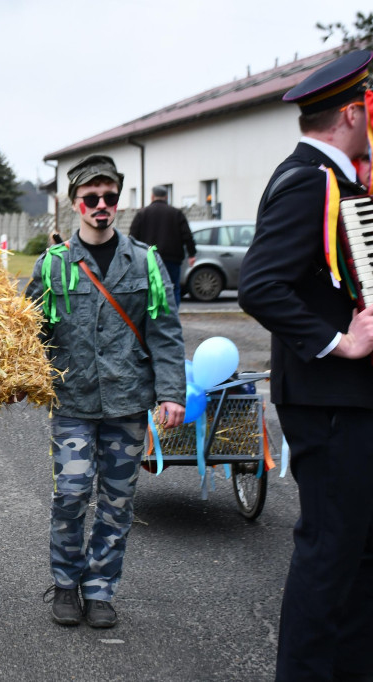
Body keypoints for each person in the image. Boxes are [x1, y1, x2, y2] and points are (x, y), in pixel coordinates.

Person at [238, 50, 373, 681]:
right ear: (351, 113)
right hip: (331, 400)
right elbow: (260, 286)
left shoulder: (333, 180)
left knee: (357, 550)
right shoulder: (312, 180)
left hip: (345, 401)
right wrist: (341, 342)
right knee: (330, 549)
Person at [25, 154, 186, 628]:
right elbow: (28, 331)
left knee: (117, 503)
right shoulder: (53, 265)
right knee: (72, 494)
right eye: (91, 197)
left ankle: (99, 590)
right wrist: (19, 376)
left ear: (119, 202)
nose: (102, 205)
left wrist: (172, 393)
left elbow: (165, 332)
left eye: (110, 197)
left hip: (127, 402)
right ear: (75, 203)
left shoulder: (146, 261)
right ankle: (66, 584)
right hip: (73, 400)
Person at [129, 185, 196, 305]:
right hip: (172, 259)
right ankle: (172, 313)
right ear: (166, 197)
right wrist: (192, 254)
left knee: (150, 288)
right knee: (172, 287)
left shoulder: (142, 214)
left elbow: (132, 237)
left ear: (152, 196)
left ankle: (153, 313)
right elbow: (187, 235)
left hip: (148, 259)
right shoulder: (176, 213)